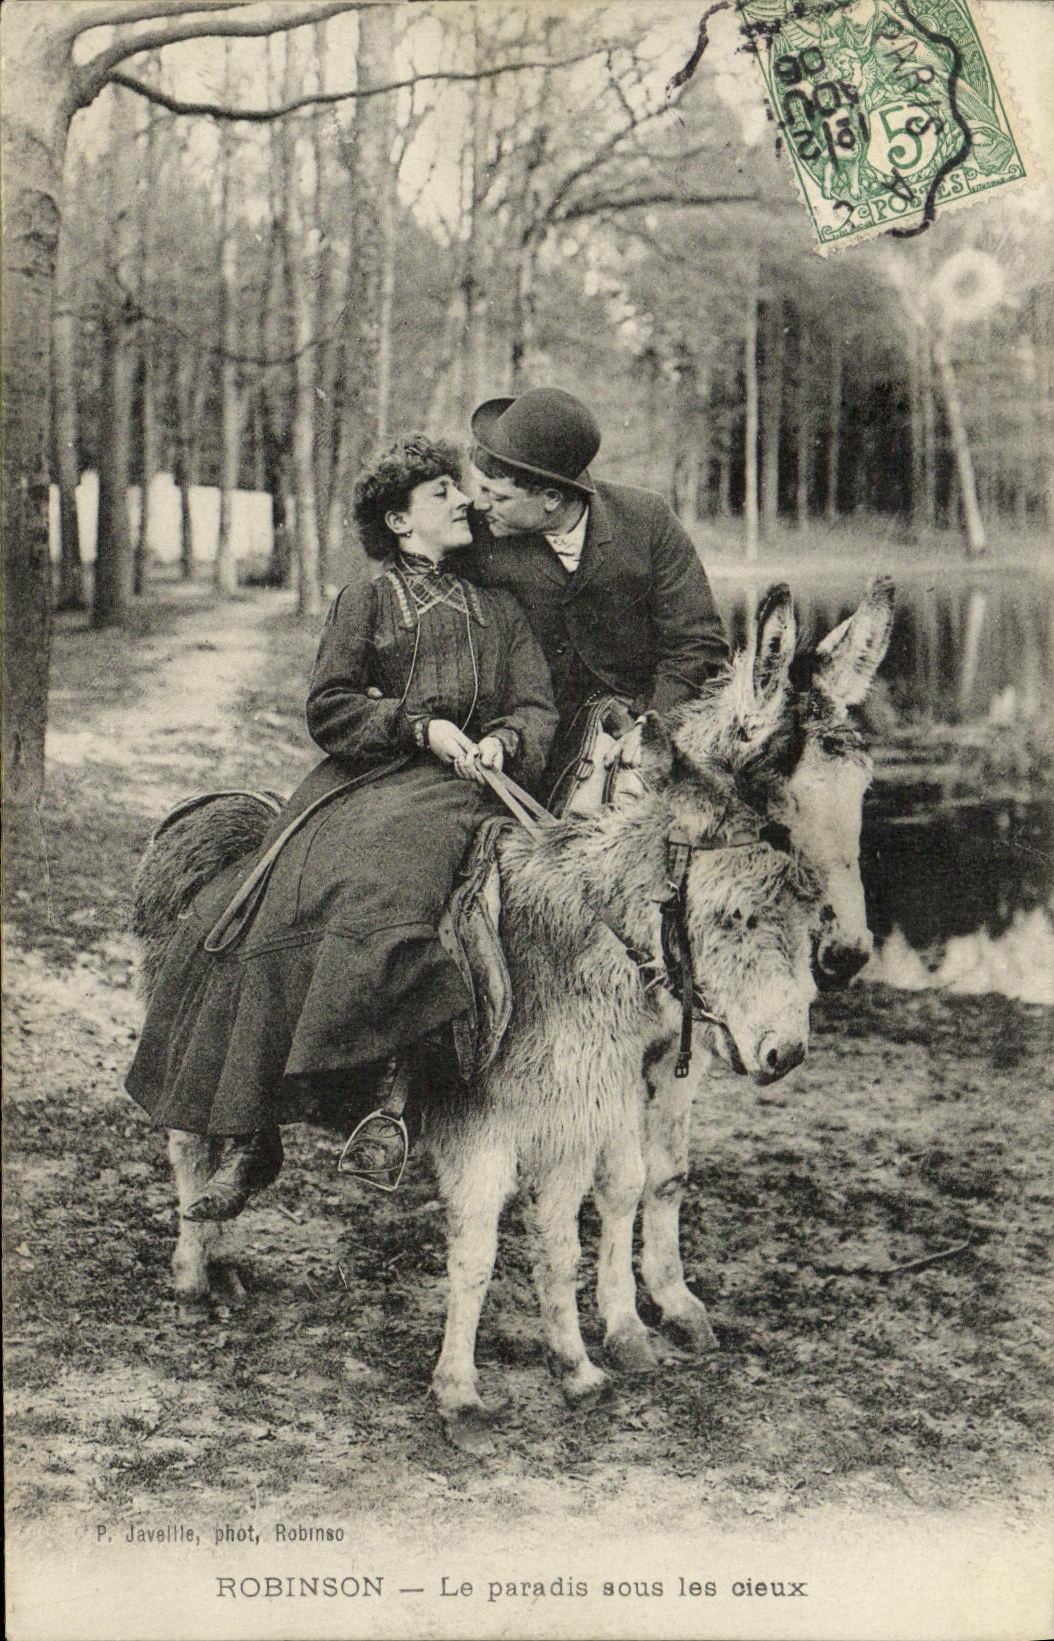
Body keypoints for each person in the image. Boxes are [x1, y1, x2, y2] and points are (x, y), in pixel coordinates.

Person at [126, 435, 558, 1207]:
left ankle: (389, 1105)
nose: (464, 501)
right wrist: (417, 726)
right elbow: (331, 705)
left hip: (463, 791)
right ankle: (252, 1130)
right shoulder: (368, 600)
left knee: (392, 887)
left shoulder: (501, 610)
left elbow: (535, 704)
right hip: (360, 780)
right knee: (264, 902)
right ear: (398, 520)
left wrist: (504, 738)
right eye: (440, 495)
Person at [454, 387, 729, 802]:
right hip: (533, 745)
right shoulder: (475, 537)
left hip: (643, 725)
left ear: (550, 499)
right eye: (482, 489)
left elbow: (698, 643)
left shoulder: (648, 521)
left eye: (499, 496)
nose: (480, 503)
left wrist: (654, 723)